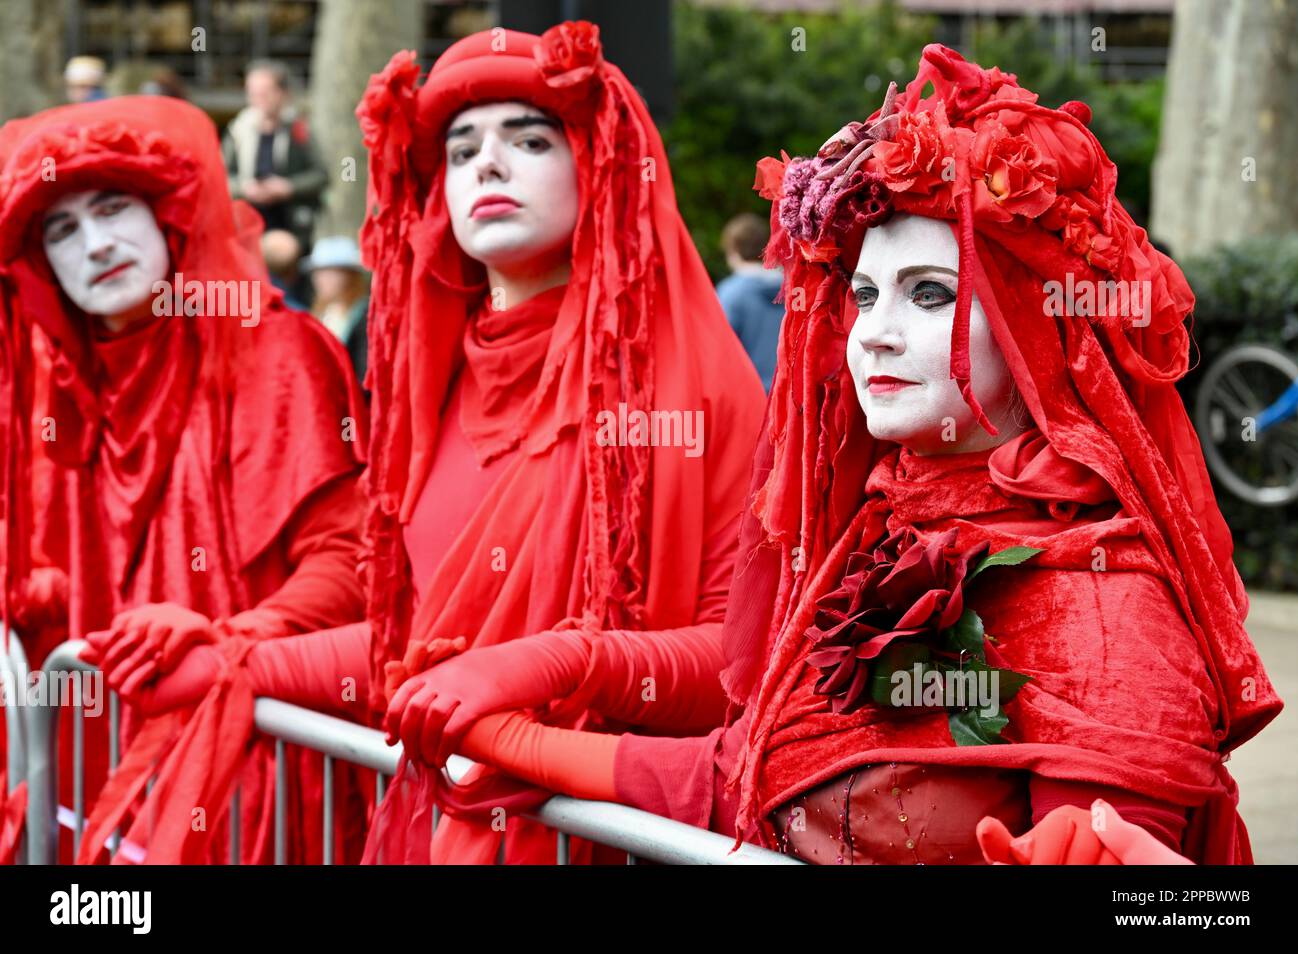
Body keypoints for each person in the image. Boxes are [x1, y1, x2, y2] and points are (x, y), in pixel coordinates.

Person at [409, 45, 1283, 865]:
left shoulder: (1109, 602)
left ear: (1037, 335)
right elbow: (745, 781)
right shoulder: (866, 538)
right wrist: (525, 737)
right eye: (864, 295)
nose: (876, 335)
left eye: (930, 293)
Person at [114, 21, 766, 865]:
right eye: (461, 151)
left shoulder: (701, 390)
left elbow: (735, 665)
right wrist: (232, 655)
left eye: (529, 138)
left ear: (600, 165)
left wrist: (559, 663)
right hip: (436, 832)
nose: (487, 164)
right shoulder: (430, 396)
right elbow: (410, 654)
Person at [0, 95, 370, 864]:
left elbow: (349, 564)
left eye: (112, 208)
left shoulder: (276, 351)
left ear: (166, 217)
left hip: (249, 773)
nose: (95, 244)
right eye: (61, 229)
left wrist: (232, 642)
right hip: (105, 782)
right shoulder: (70, 388)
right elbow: (66, 580)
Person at [222, 60, 327, 248]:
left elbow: (321, 175)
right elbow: (221, 178)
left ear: (283, 93)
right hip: (247, 221)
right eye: (253, 93)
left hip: (290, 222)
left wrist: (288, 187)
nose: (258, 99)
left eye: (265, 93)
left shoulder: (298, 130)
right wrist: (245, 188)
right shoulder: (238, 131)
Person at [716, 212, 784, 391]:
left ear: (734, 251)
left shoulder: (731, 293)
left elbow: (720, 352)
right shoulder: (792, 289)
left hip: (748, 396)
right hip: (786, 396)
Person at [305, 236, 369, 384]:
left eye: (330, 272)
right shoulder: (320, 313)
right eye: (318, 272)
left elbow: (363, 371)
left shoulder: (363, 315)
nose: (321, 279)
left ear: (349, 275)